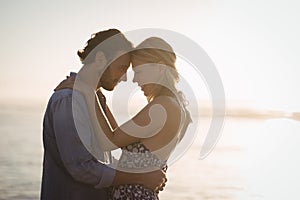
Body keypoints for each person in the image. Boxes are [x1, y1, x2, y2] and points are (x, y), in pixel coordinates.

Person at [41, 29, 166, 200]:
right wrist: (141, 178)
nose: (123, 78)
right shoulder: (68, 100)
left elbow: (102, 159)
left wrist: (144, 172)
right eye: (121, 68)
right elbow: (82, 167)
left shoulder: (95, 100)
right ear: (100, 59)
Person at [91, 37, 193, 200]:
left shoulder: (162, 107)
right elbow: (120, 137)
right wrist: (99, 98)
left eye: (139, 72)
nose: (135, 80)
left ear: (160, 68)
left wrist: (89, 91)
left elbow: (108, 141)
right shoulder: (178, 107)